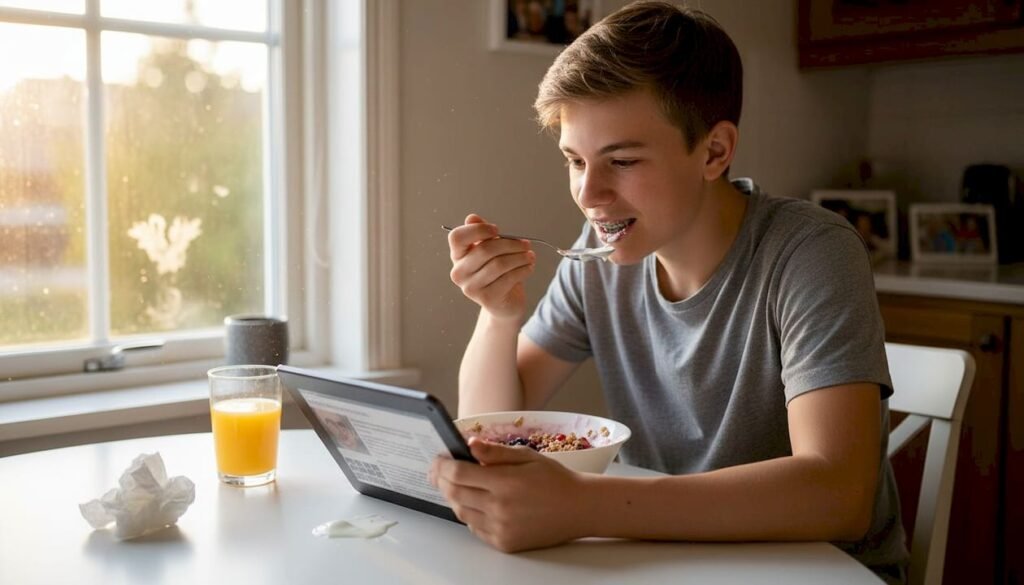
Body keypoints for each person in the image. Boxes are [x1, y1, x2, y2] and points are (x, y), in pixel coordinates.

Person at [434, 1, 907, 583]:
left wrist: (582, 505)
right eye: (574, 160)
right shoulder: (599, 258)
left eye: (623, 160)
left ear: (714, 152)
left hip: (815, 570)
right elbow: (495, 427)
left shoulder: (809, 252)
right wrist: (498, 316)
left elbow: (839, 493)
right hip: (664, 559)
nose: (589, 193)